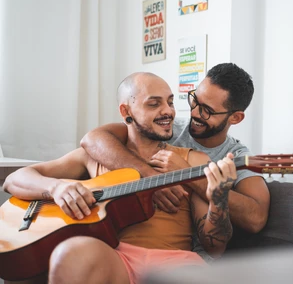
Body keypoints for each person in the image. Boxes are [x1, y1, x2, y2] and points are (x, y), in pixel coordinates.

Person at [3, 72, 237, 284]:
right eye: (154, 104)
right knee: (70, 252)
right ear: (126, 112)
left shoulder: (192, 161)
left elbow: (214, 248)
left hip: (173, 263)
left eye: (170, 101)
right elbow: (14, 180)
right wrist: (56, 188)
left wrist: (220, 201)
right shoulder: (94, 156)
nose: (168, 111)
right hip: (113, 257)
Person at [81, 63, 270, 235]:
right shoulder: (165, 127)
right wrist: (150, 177)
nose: (194, 112)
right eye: (194, 100)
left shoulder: (237, 156)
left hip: (188, 251)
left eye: (207, 110)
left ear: (235, 118)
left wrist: (188, 174)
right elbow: (92, 139)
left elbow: (256, 219)